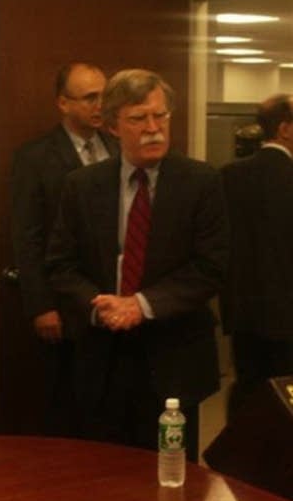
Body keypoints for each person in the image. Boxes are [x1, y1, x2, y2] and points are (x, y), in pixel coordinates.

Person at [46, 69, 228, 460]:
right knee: (102, 476)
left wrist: (140, 305)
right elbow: (61, 265)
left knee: (171, 479)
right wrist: (100, 306)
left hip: (174, 356)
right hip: (102, 358)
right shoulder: (82, 185)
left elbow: (211, 268)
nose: (153, 129)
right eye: (138, 119)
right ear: (112, 126)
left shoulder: (201, 182)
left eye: (160, 116)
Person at [11, 62, 119, 436]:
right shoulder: (36, 157)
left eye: (104, 96)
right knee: (70, 406)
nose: (100, 106)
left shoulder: (119, 148)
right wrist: (40, 304)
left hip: (117, 301)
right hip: (65, 301)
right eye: (90, 97)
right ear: (62, 103)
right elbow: (28, 235)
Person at [221, 94, 293, 419]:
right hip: (288, 320)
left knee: (249, 395)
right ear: (285, 129)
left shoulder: (229, 176)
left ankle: (239, 466)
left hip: (244, 314)